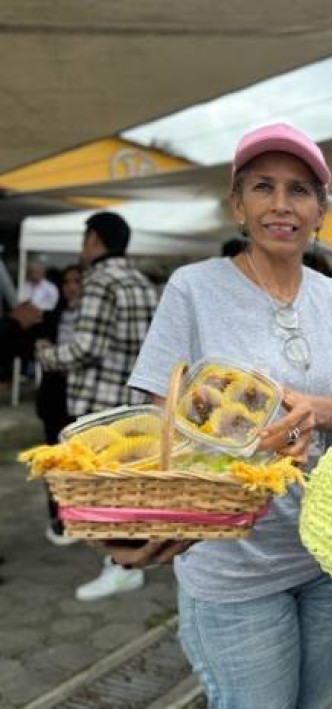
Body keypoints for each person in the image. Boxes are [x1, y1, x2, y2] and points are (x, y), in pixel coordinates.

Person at [117, 122, 332, 709]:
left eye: (299, 190)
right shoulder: (194, 289)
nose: (281, 205)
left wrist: (315, 409)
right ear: (238, 204)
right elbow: (161, 411)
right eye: (263, 187)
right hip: (232, 562)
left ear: (320, 212)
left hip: (330, 552)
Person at [36, 212, 159, 601]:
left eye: (84, 238)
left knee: (108, 491)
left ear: (95, 240)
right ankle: (130, 561)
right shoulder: (141, 282)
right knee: (128, 487)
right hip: (136, 401)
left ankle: (122, 566)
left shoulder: (100, 281)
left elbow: (85, 348)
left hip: (101, 404)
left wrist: (44, 353)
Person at [33, 264, 84, 545]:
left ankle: (81, 515)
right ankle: (59, 516)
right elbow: (39, 348)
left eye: (77, 281)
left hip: (80, 402)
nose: (72, 287)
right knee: (53, 461)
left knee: (79, 463)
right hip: (54, 398)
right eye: (67, 282)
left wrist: (54, 357)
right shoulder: (54, 316)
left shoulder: (92, 317)